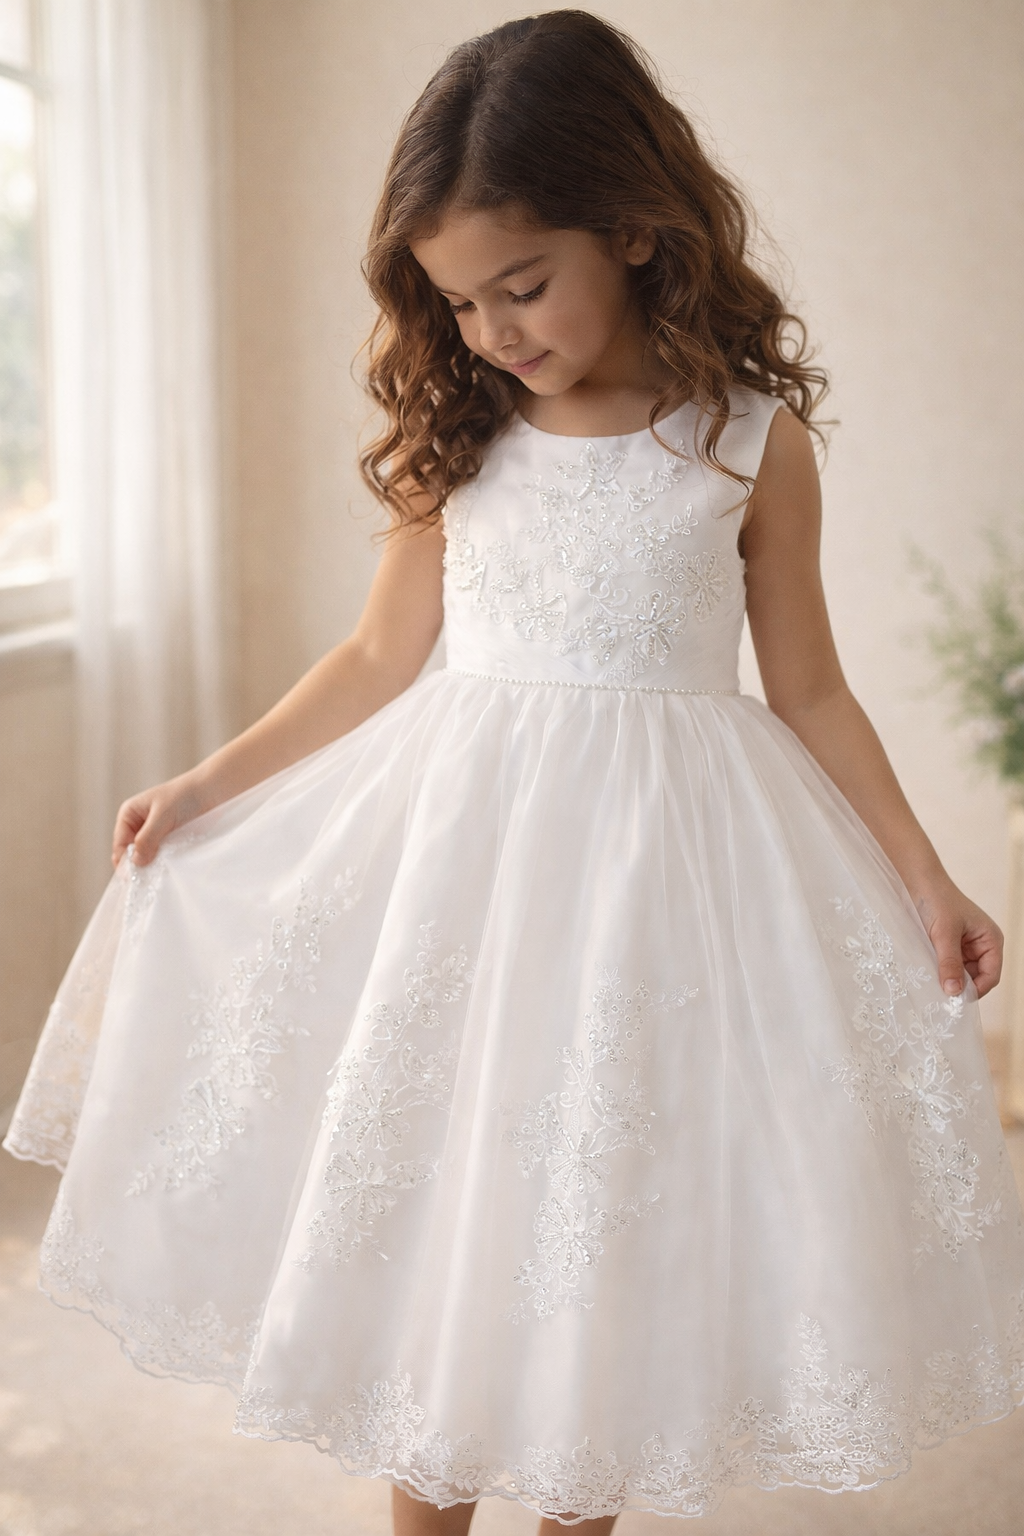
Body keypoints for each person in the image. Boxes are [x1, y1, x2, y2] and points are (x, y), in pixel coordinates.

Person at [6, 11, 1023, 1533]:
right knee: (454, 1249)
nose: (493, 329)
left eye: (523, 285)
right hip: (471, 898)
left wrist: (925, 874)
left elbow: (808, 685)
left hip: (657, 905)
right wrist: (204, 787)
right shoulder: (463, 437)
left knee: (597, 1259)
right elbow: (370, 661)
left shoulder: (751, 442)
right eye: (461, 301)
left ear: (632, 224)